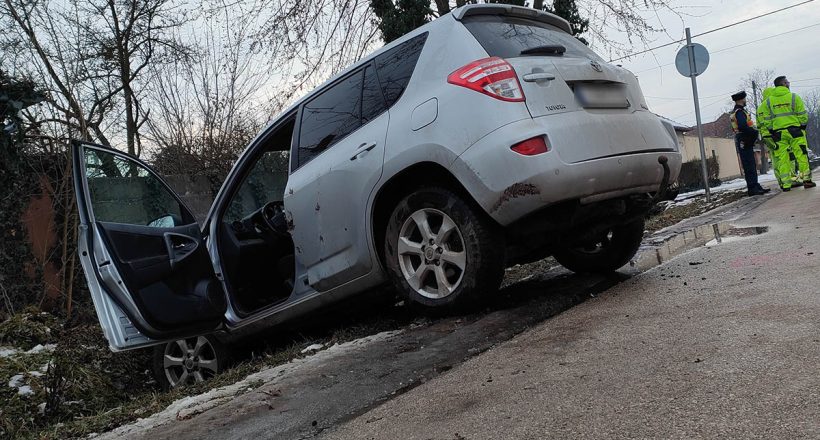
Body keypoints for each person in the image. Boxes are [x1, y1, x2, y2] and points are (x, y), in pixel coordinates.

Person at [759, 76, 815, 191]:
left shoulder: (768, 102)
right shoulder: (794, 97)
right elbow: (803, 115)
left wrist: (772, 131)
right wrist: (802, 127)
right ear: (784, 84)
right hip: (795, 131)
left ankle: (786, 185)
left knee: (782, 158)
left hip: (778, 134)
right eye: (787, 82)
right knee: (801, 155)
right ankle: (807, 181)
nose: (789, 83)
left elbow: (767, 120)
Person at [758, 87, 799, 189]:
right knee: (787, 158)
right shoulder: (771, 105)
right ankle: (791, 179)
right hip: (777, 135)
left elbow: (759, 125)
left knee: (775, 160)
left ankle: (781, 181)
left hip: (767, 138)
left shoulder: (759, 109)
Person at [730, 91, 769, 195]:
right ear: (741, 99)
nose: (745, 100)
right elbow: (743, 126)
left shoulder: (739, 111)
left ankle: (755, 185)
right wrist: (754, 132)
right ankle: (752, 188)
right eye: (744, 99)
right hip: (744, 139)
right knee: (749, 165)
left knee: (751, 164)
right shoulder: (739, 112)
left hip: (744, 139)